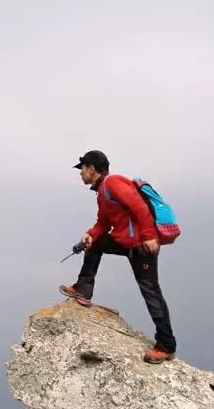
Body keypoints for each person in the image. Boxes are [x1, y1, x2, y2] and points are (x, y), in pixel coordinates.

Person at [60, 150, 178, 364]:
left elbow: (139, 206)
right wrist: (90, 235)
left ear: (92, 168)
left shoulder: (113, 182)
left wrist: (150, 236)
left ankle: (166, 345)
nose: (80, 174)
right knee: (95, 243)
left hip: (142, 245)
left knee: (150, 292)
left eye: (82, 169)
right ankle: (83, 290)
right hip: (125, 242)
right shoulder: (102, 191)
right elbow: (103, 223)